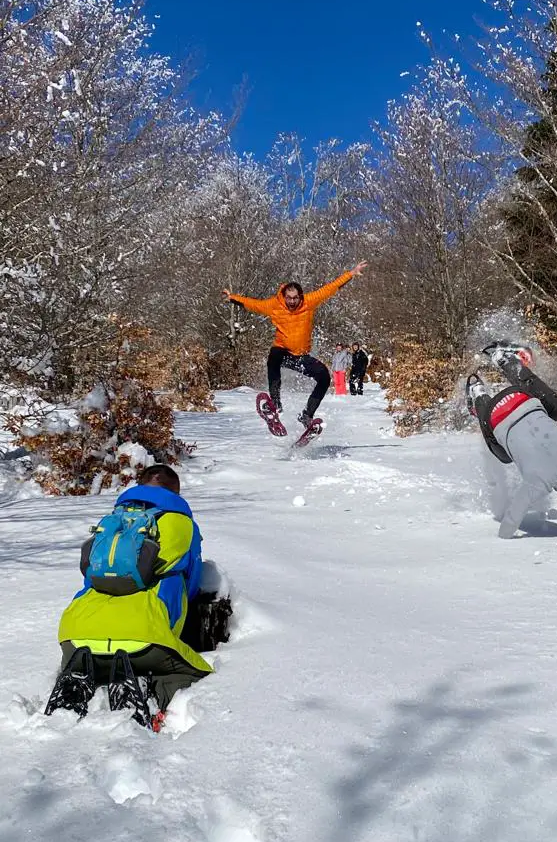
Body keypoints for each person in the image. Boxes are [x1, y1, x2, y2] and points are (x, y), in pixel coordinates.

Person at [55, 465, 213, 718]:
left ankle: (84, 684)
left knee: (98, 656)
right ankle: (149, 692)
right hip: (148, 642)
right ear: (176, 492)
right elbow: (192, 586)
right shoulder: (181, 524)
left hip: (74, 638)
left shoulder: (111, 524)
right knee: (194, 671)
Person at [466, 343, 557, 538]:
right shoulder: (537, 484)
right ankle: (478, 394)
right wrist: (504, 536)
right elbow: (510, 522)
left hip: (519, 396)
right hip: (495, 413)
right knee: (503, 456)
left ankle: (506, 360)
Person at [223, 262, 369, 425]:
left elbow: (331, 288)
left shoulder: (309, 302)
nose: (292, 302)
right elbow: (253, 304)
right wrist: (232, 298)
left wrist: (351, 273)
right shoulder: (274, 305)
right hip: (282, 353)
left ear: (300, 296)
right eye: (289, 298)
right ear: (284, 296)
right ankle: (275, 405)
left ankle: (307, 415)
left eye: (295, 298)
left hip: (300, 357)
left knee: (324, 377)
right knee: (274, 355)